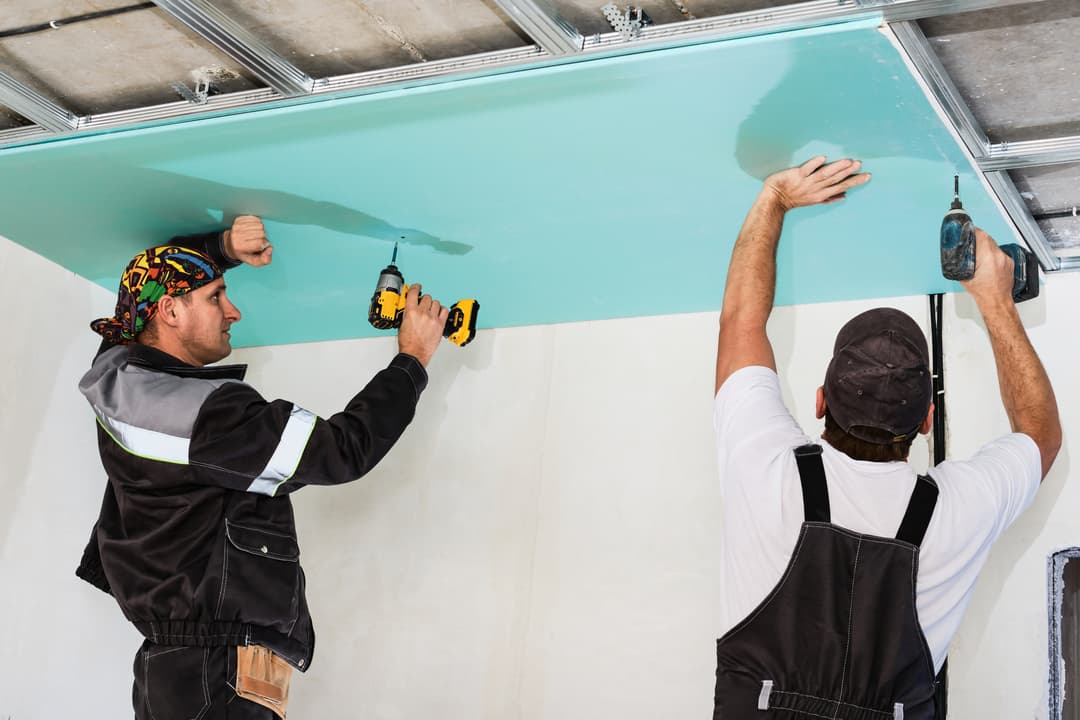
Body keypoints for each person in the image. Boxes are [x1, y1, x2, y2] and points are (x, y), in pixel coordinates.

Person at [711, 157, 1061, 719]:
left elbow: (740, 324)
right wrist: (996, 301)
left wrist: (774, 199)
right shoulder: (950, 512)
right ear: (926, 420)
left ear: (822, 401)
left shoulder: (765, 471)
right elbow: (1039, 435)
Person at [76, 216, 449, 719]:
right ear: (168, 311)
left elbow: (153, 278)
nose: (234, 311)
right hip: (213, 668)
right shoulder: (205, 415)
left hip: (195, 668)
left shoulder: (120, 380)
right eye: (216, 297)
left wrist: (222, 247)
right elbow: (342, 450)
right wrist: (413, 359)